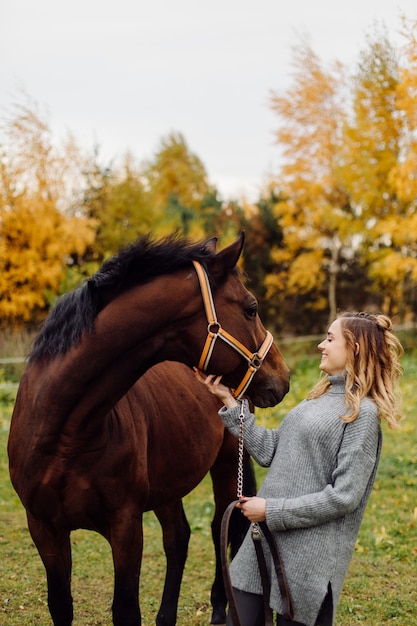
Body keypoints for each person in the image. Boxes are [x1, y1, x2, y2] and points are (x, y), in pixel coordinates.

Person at [194, 311, 403, 626]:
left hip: (308, 560)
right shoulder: (317, 398)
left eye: (330, 338)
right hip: (263, 546)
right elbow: (271, 451)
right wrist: (230, 401)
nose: (321, 345)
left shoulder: (363, 415)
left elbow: (344, 497)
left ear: (355, 349)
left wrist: (271, 511)